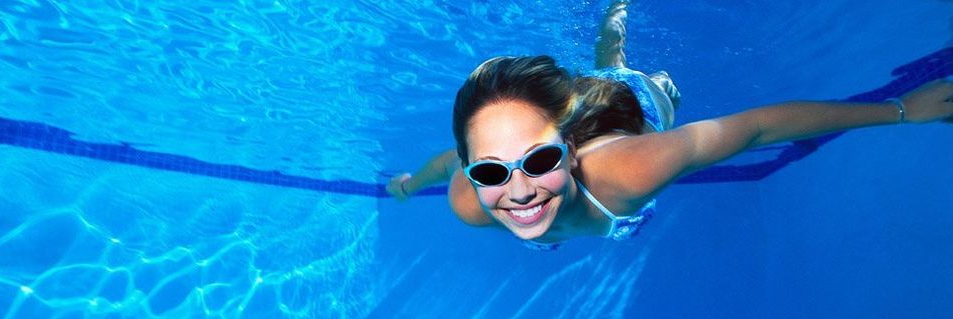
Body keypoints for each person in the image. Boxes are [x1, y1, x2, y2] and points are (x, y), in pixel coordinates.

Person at [386, 0, 953, 251]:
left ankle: (640, 56)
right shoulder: (469, 201)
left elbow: (753, 128)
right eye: (490, 169)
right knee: (602, 54)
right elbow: (448, 161)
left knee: (628, 73)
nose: (519, 191)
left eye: (539, 161)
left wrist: (900, 110)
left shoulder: (630, 173)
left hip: (632, 107)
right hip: (572, 116)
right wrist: (412, 183)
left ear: (566, 145)